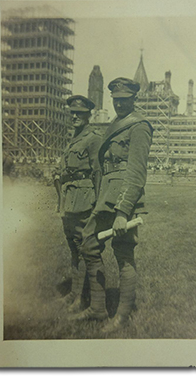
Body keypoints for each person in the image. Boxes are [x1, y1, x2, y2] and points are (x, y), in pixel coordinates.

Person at [70, 78, 153, 334]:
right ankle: (97, 307)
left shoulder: (139, 127)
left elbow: (137, 172)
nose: (119, 103)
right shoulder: (116, 124)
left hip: (122, 202)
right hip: (106, 197)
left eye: (124, 99)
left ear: (133, 99)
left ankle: (122, 317)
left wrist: (122, 212)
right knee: (88, 242)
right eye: (115, 99)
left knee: (124, 253)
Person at [57, 95, 102, 313]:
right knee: (74, 250)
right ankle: (75, 294)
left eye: (80, 113)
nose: (75, 116)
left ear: (88, 115)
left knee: (85, 251)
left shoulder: (93, 138)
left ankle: (85, 300)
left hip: (84, 203)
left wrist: (98, 207)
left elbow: (98, 173)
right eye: (72, 113)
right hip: (69, 201)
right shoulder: (74, 138)